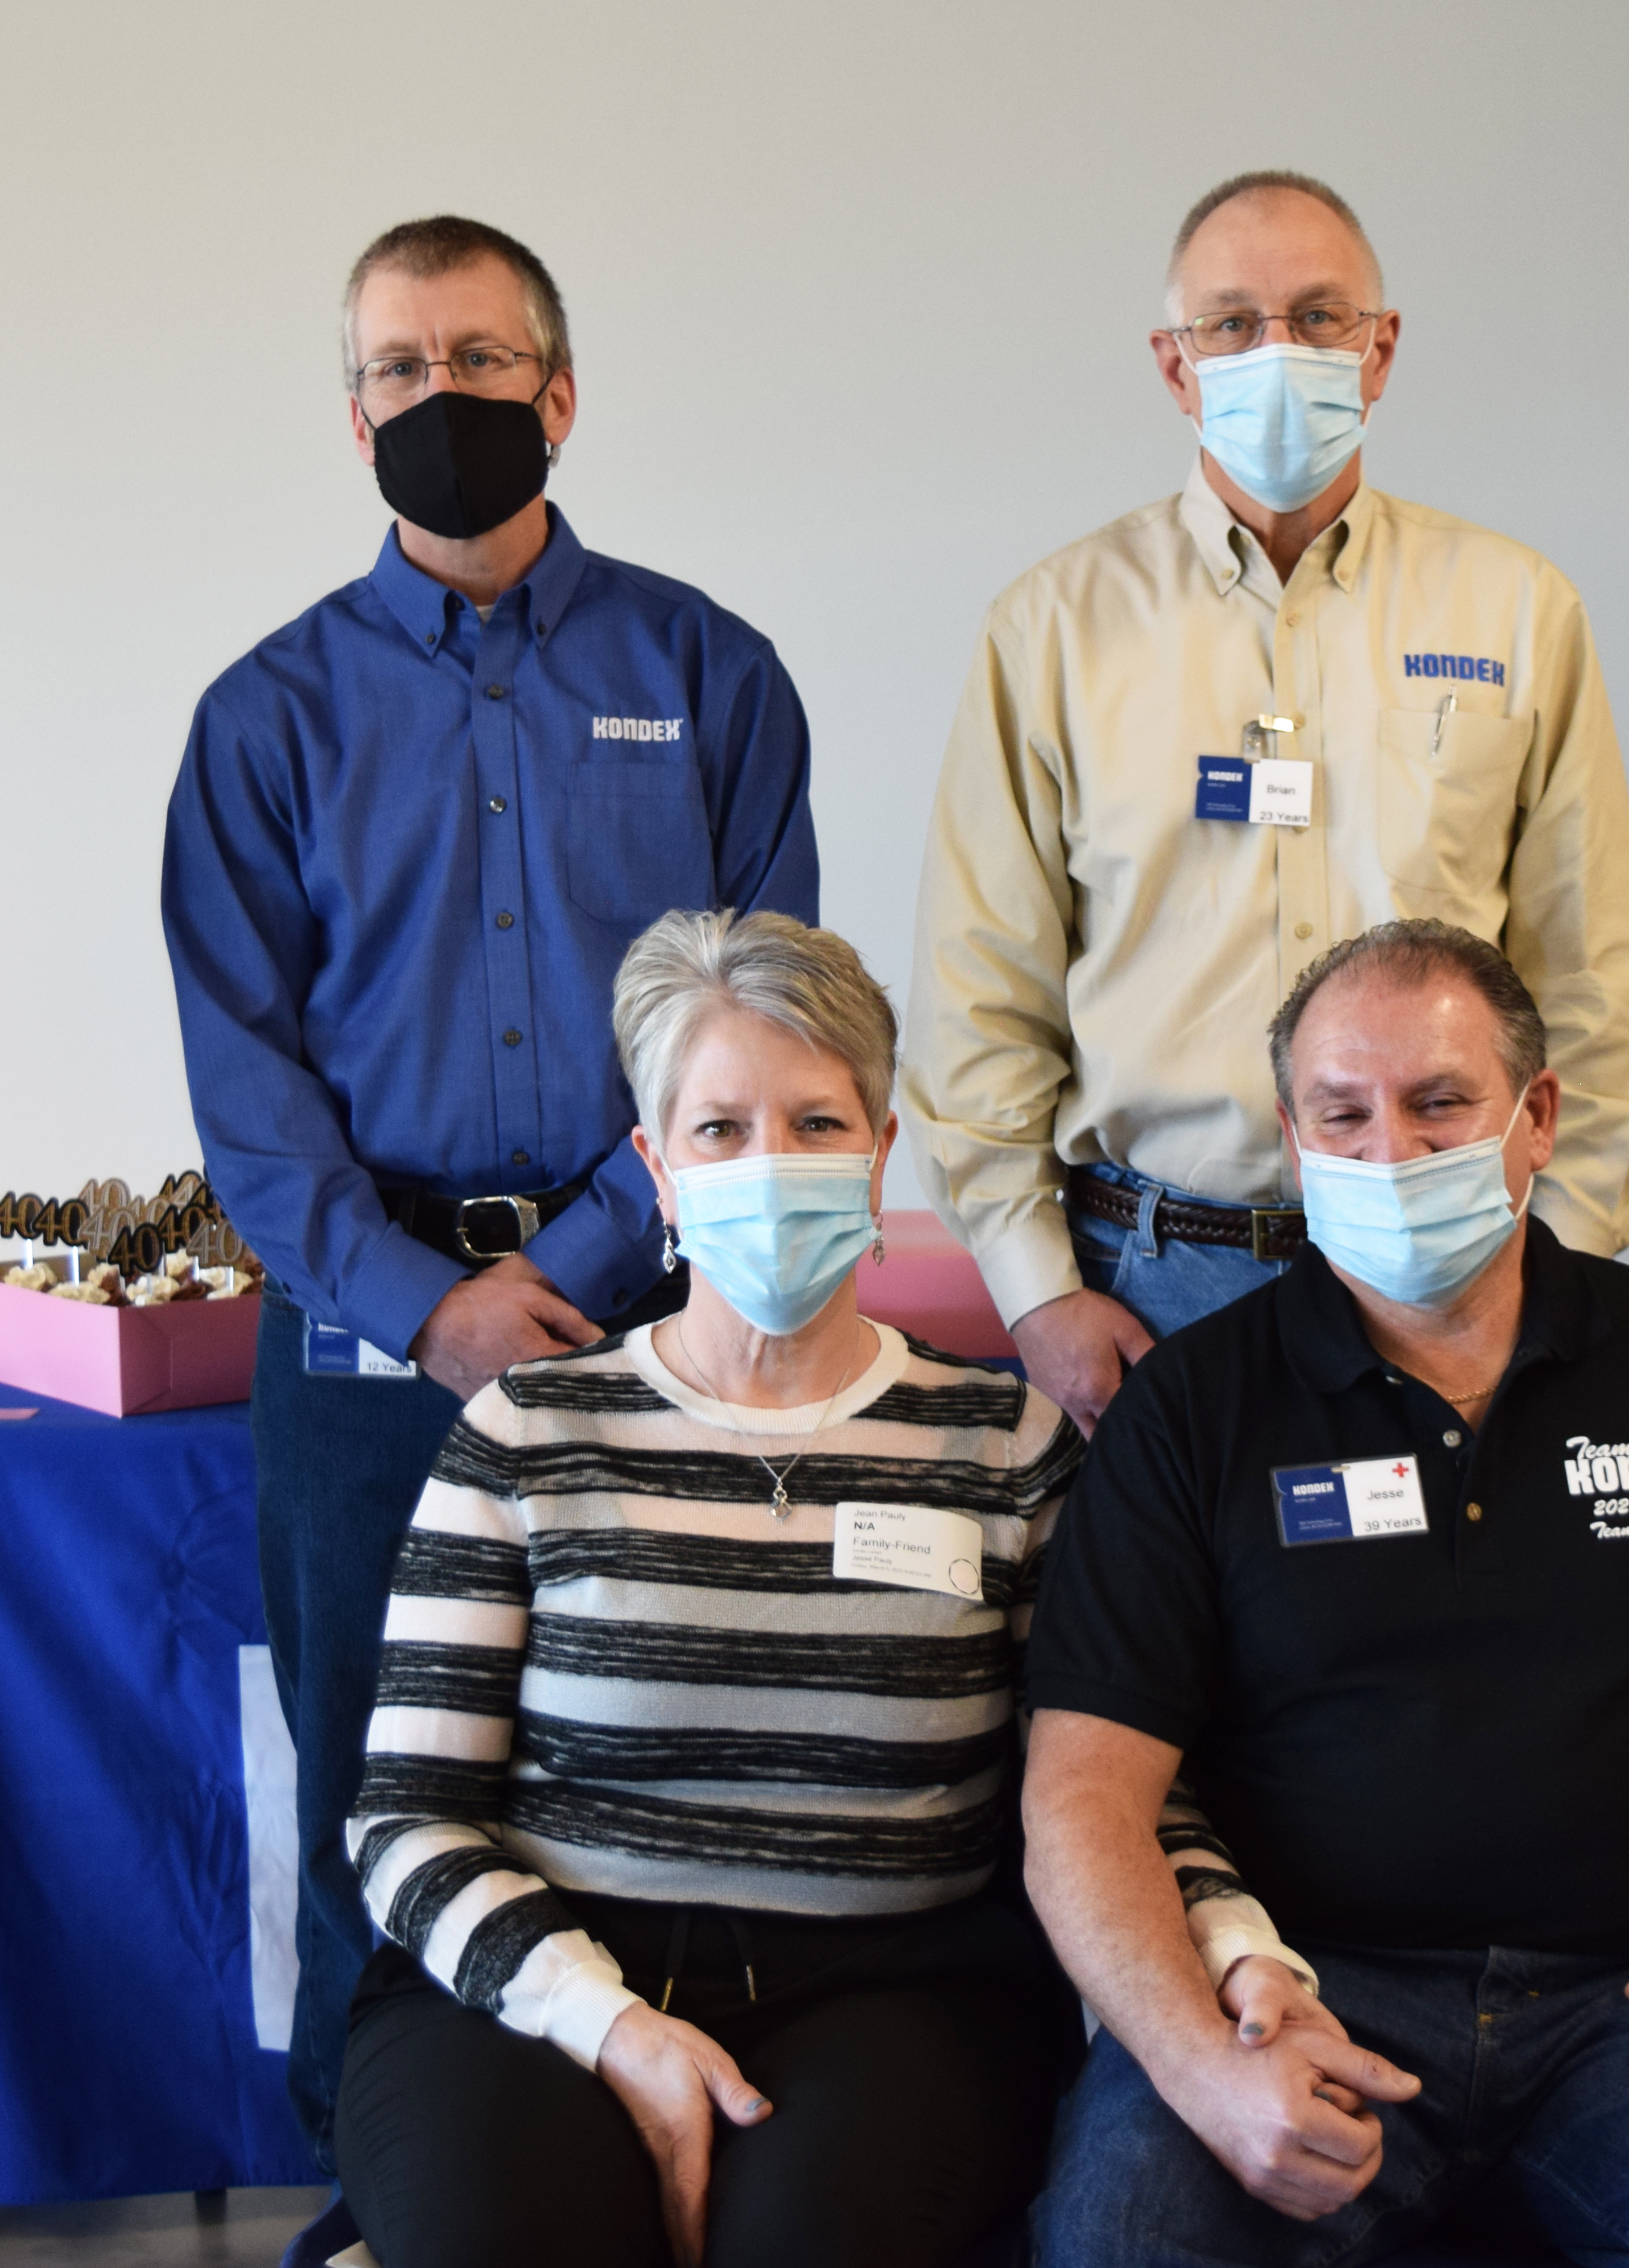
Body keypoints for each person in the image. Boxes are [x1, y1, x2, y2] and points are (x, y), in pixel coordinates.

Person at [162, 217, 820, 2166]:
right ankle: (374, 2176)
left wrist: (598, 1248)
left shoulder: (708, 671)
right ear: (349, 407)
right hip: (369, 1352)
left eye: (475, 357)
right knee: (384, 1779)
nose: (434, 398)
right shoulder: (263, 718)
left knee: (665, 1749)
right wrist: (415, 1295)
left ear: (559, 388)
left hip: (661, 1314)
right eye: (394, 367)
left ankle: (656, 2140)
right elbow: (249, 1083)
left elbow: (765, 1018)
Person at [1026, 921, 1629, 2267]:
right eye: (1343, 1112)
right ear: (1295, 1136)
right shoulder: (1193, 1409)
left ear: (1539, 1115)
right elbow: (1081, 1799)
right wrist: (1203, 2063)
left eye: (1441, 1102)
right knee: (1123, 2242)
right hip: (1301, 1996)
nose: (1390, 1151)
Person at [329, 909, 1082, 2268]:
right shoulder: (525, 1430)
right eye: (721, 1129)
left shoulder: (1006, 1442)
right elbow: (404, 1815)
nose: (770, 1161)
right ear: (656, 1169)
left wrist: (1237, 1942)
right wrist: (606, 2018)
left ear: (879, 1152)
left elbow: (1103, 1788)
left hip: (895, 1992)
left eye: (815, 1120)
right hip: (539, 1980)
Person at [904, 168, 1629, 1433]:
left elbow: (1595, 977)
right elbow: (982, 988)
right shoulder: (1053, 630)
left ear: (1381, 350)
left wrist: (1561, 1265)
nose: (1280, 351)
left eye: (1320, 318)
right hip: (1150, 1283)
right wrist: (1037, 1296)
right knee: (1179, 1636)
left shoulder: (1518, 612)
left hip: (1455, 1268)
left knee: (1438, 1632)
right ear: (1172, 363)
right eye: (1232, 323)